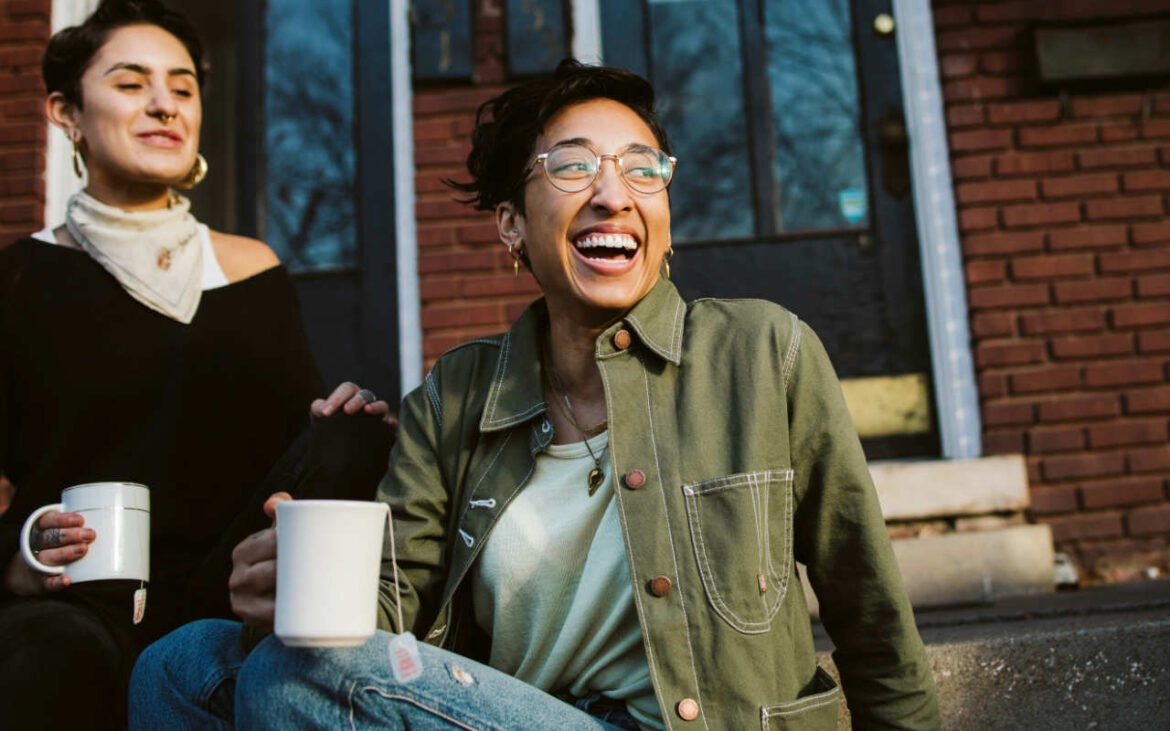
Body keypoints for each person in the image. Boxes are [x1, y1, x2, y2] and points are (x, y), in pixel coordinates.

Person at [131, 59, 939, 729]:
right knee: (176, 662)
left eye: (642, 168)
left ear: (663, 204)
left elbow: (870, 612)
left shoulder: (765, 351)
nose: (613, 193)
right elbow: (391, 615)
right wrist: (290, 592)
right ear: (512, 224)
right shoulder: (457, 394)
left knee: (284, 681)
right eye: (574, 164)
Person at [0, 1, 394, 727]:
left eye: (182, 88)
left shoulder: (255, 270)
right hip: (82, 606)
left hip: (228, 592)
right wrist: (14, 560)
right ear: (66, 113)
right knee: (50, 652)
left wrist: (339, 430)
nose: (163, 104)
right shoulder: (21, 278)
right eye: (130, 83)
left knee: (352, 429)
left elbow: (293, 457)